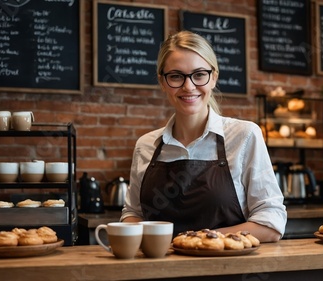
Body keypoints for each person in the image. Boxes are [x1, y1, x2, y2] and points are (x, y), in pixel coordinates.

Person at [120, 30, 286, 242]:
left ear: (213, 78)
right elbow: (133, 214)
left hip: (227, 270)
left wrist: (197, 240)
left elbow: (271, 223)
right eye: (176, 76)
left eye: (199, 75)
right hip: (158, 271)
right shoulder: (146, 145)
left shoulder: (244, 136)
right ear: (163, 82)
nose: (188, 86)